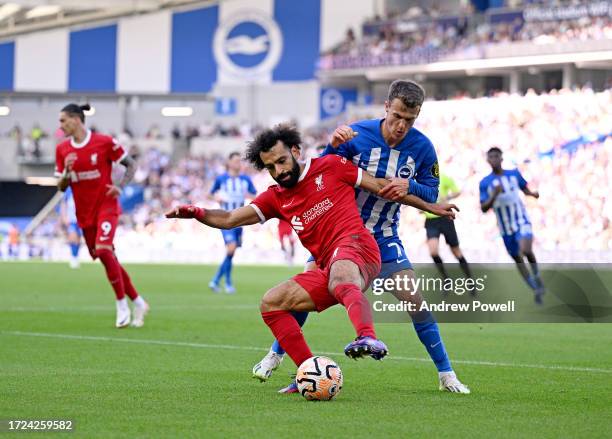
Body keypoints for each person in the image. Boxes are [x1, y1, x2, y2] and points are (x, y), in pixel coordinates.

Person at [166, 124, 457, 384]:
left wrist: (431, 207)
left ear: (295, 150)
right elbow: (229, 219)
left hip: (360, 246)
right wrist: (196, 212)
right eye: (271, 167)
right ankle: (309, 372)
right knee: (272, 303)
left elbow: (382, 187)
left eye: (282, 161)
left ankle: (368, 336)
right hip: (327, 264)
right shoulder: (275, 197)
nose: (279, 171)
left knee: (346, 276)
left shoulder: (331, 166)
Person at [254, 80, 471, 394]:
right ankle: (283, 360)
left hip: (382, 237)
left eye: (408, 120)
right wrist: (333, 144)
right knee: (300, 297)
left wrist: (408, 186)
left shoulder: (422, 148)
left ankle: (447, 375)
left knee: (415, 302)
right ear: (386, 107)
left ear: (417, 115)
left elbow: (431, 191)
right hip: (336, 235)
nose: (400, 125)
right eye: (396, 115)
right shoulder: (356, 134)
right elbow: (318, 173)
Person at [55, 103, 149, 328]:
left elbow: (131, 165)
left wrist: (120, 186)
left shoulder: (104, 142)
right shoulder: (63, 150)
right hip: (84, 213)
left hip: (106, 205)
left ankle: (121, 304)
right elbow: (60, 186)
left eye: (63, 121)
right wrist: (67, 172)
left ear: (76, 120)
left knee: (105, 249)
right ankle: (138, 301)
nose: (60, 126)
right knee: (107, 258)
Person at [479, 147, 545, 303]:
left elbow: (524, 188)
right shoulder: (485, 183)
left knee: (526, 249)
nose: (494, 159)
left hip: (521, 220)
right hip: (505, 228)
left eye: (497, 156)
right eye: (491, 157)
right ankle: (536, 289)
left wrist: (532, 194)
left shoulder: (514, 174)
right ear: (488, 160)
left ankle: (537, 276)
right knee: (518, 259)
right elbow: (483, 208)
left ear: (502, 158)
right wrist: (494, 195)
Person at [208, 152, 257, 294]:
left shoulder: (245, 179)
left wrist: (250, 196)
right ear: (229, 163)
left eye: (239, 161)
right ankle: (220, 281)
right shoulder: (221, 179)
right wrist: (216, 197)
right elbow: (211, 193)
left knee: (232, 252)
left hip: (240, 221)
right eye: (235, 161)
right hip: (225, 219)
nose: (238, 163)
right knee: (231, 248)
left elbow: (255, 195)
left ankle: (221, 282)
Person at [424, 172, 472, 280]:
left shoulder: (444, 177)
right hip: (431, 220)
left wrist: (447, 197)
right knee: (433, 251)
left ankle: (470, 279)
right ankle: (445, 279)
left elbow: (457, 191)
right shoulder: (421, 180)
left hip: (445, 218)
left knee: (456, 251)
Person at [60, 187, 82, 269]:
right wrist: (64, 216)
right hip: (71, 219)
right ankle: (73, 257)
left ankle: (76, 256)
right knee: (73, 238)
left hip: (81, 219)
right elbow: (63, 203)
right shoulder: (68, 190)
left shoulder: (83, 187)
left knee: (79, 239)